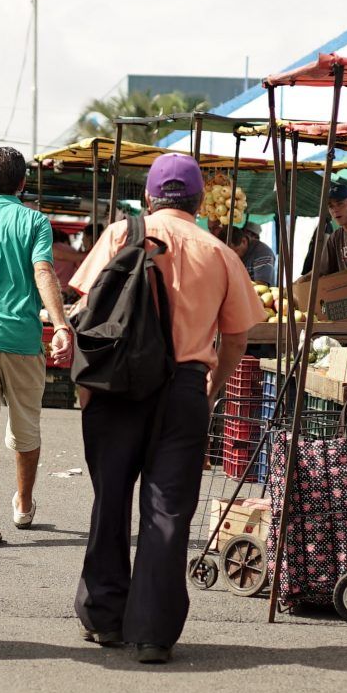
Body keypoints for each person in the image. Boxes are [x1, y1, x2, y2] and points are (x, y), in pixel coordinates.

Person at [71, 153, 267, 664]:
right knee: (167, 511)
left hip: (117, 385)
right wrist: (213, 386)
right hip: (184, 389)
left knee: (109, 500)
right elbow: (238, 335)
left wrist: (83, 387)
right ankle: (152, 633)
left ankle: (103, 615)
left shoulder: (121, 234)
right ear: (201, 201)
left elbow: (88, 312)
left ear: (149, 197)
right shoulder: (220, 252)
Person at [0, 147, 72, 547]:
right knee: (26, 429)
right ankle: (23, 505)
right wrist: (60, 324)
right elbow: (43, 271)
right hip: (24, 340)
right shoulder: (33, 220)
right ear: (23, 184)